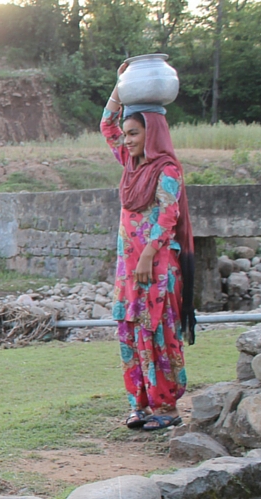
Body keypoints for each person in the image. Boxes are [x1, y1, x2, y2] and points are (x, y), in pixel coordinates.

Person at [102, 62, 196, 432]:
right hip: (129, 267)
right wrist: (120, 85)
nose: (126, 140)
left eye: (134, 133)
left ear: (151, 132)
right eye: (125, 134)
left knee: (159, 332)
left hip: (156, 265)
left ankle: (167, 408)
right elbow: (106, 126)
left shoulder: (167, 169)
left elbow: (167, 217)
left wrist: (146, 255)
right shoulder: (129, 164)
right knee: (130, 331)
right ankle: (139, 404)